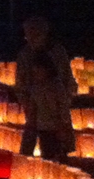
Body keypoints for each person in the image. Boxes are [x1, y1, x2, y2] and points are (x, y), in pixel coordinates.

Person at [14, 16, 76, 156]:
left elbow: (67, 78)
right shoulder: (25, 55)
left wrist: (64, 103)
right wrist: (26, 101)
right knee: (31, 140)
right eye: (27, 34)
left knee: (56, 144)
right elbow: (20, 83)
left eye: (34, 34)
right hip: (34, 105)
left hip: (56, 107)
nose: (30, 38)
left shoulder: (58, 53)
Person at [24, 52, 75, 162]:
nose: (36, 73)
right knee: (47, 154)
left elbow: (63, 106)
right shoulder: (36, 88)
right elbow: (33, 106)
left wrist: (63, 124)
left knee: (59, 154)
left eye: (39, 70)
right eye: (34, 70)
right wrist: (31, 122)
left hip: (56, 126)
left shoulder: (56, 86)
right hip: (42, 127)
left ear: (47, 69)